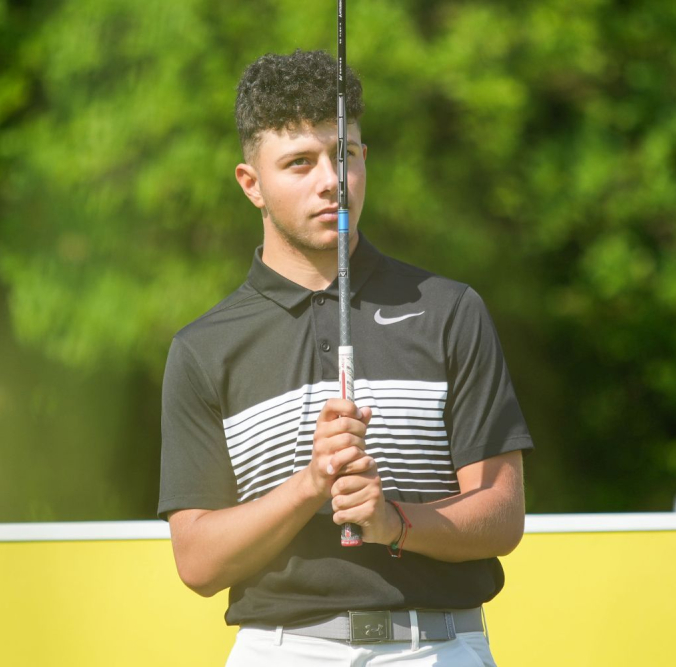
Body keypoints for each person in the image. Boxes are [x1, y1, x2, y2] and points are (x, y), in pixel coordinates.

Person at [158, 49, 534, 666]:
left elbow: (501, 515)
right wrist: (309, 486)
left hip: (440, 645)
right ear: (251, 184)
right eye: (299, 162)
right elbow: (197, 561)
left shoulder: (450, 309)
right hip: (283, 650)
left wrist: (394, 523)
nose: (330, 180)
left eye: (345, 154)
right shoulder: (203, 348)